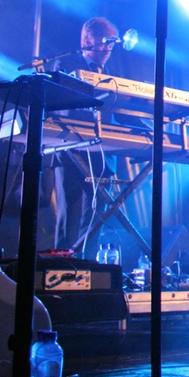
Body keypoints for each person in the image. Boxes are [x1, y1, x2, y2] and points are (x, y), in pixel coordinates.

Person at [47, 16, 120, 254]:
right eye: (104, 41)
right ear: (88, 40)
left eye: (112, 43)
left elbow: (117, 113)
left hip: (101, 155)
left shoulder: (111, 73)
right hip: (70, 150)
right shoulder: (66, 65)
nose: (109, 48)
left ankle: (90, 267)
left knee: (97, 216)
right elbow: (61, 101)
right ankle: (61, 270)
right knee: (68, 214)